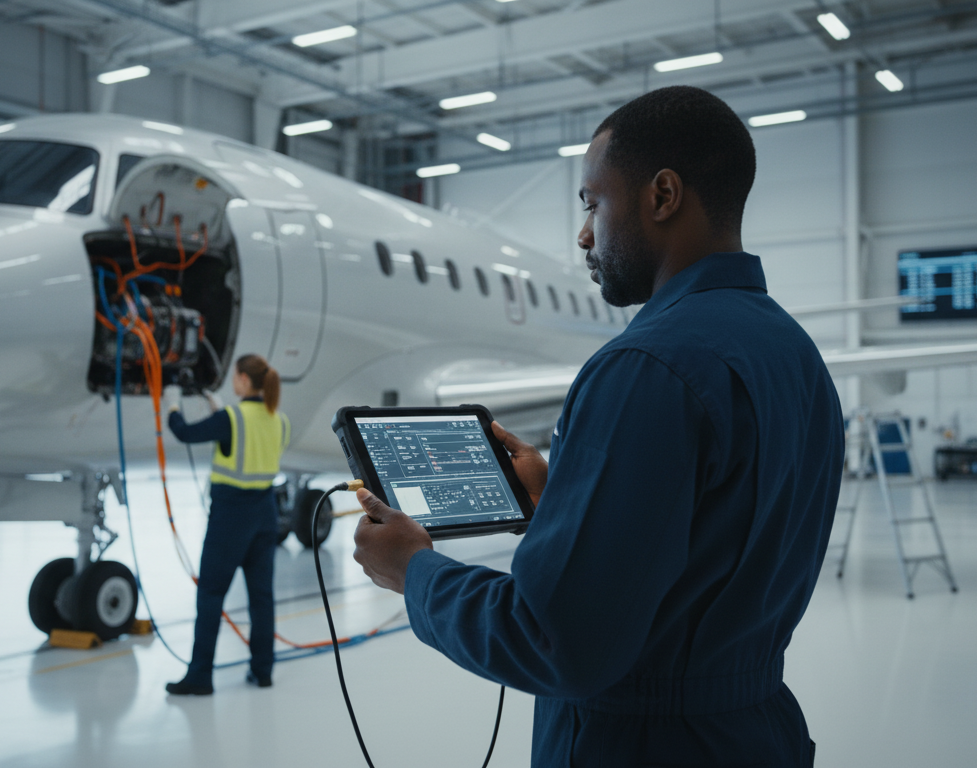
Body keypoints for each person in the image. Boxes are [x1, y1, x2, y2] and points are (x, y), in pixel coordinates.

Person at [350, 86, 844, 766]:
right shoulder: (792, 352)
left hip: (644, 746)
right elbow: (707, 549)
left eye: (592, 202)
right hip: (753, 735)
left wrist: (413, 569)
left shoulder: (644, 366)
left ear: (662, 195)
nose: (584, 233)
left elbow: (555, 641)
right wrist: (561, 503)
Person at [162, 354, 290, 696]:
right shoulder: (279, 419)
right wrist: (218, 411)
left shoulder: (232, 419)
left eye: (235, 376)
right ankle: (262, 671)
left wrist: (171, 404)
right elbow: (253, 443)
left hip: (232, 515)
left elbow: (185, 433)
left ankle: (200, 676)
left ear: (244, 381)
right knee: (261, 598)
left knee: (211, 594)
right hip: (266, 512)